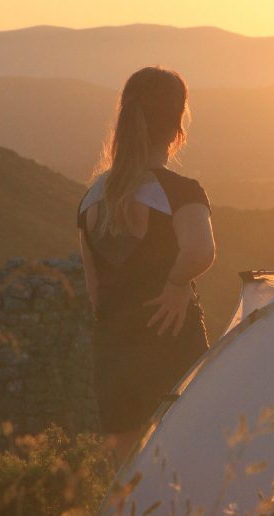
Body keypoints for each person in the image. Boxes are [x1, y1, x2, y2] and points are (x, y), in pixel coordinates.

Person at [77, 66, 215, 464]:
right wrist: (175, 284)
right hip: (170, 342)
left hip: (114, 350)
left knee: (128, 476)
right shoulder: (180, 191)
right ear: (177, 129)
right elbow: (200, 251)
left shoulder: (91, 199)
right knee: (186, 463)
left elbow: (96, 292)